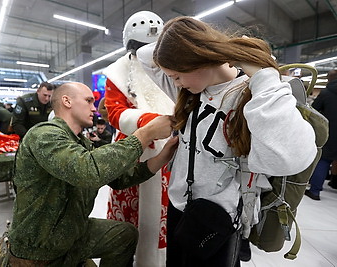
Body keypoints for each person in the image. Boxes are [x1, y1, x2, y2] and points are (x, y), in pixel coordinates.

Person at [137, 16, 317, 266]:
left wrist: (261, 74)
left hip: (221, 219)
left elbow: (289, 157)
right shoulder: (191, 91)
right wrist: (216, 46)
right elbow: (146, 54)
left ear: (197, 61)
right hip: (180, 208)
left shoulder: (253, 95)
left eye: (177, 76)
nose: (175, 83)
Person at [8, 82, 177, 266]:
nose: (94, 108)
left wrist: (163, 156)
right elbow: (88, 171)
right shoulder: (44, 135)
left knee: (124, 234)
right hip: (39, 249)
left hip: (71, 234)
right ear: (67, 101)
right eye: (88, 101)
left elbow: (122, 178)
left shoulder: (82, 144)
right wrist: (145, 134)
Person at [103, 11, 175, 266]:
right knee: (127, 211)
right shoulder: (119, 71)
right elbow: (113, 111)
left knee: (162, 216)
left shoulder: (169, 66)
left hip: (169, 153)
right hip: (132, 150)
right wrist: (147, 121)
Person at [305, 69, 337, 199]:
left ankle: (315, 191)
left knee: (323, 160)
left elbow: (314, 111)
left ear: (329, 78)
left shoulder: (326, 93)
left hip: (331, 131)